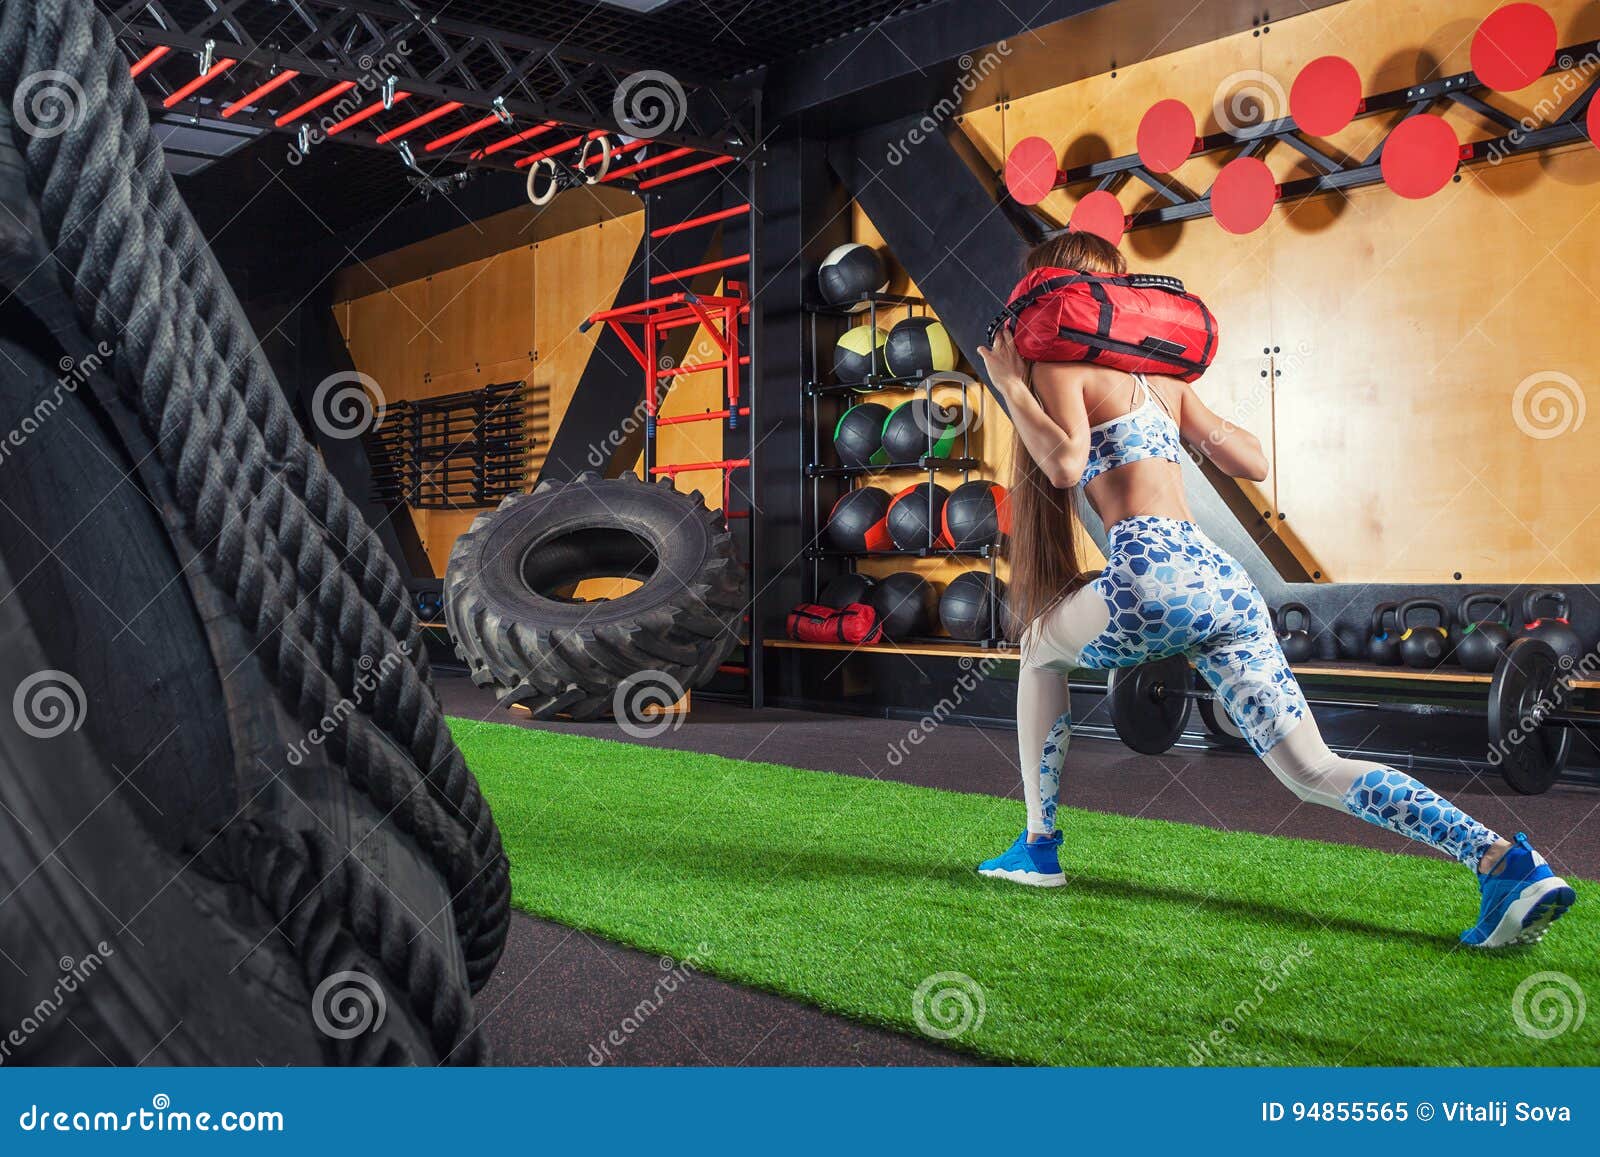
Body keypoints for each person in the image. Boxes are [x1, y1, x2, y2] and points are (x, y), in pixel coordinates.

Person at [972, 229, 1574, 949]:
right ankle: (1505, 861)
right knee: (1313, 768)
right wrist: (1179, 433)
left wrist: (1010, 383)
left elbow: (1067, 464)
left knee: (1040, 645)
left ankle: (1038, 848)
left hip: (1151, 573)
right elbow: (1253, 460)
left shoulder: (1059, 366)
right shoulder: (1166, 382)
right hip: (1224, 581)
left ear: (1051, 294)